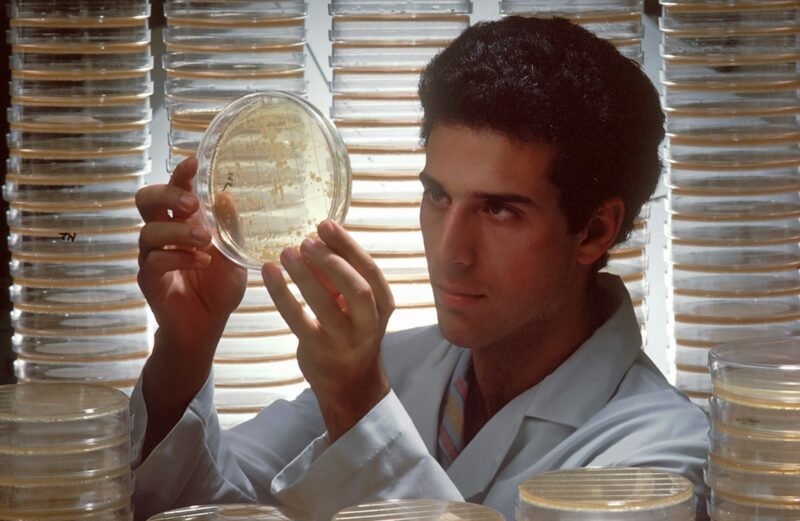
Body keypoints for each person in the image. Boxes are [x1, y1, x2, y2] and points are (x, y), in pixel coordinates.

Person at [131, 16, 709, 521]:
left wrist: (358, 409)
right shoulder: (394, 365)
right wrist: (185, 351)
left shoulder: (662, 457)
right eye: (438, 195)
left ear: (595, 231)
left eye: (500, 209)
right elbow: (213, 512)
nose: (450, 252)